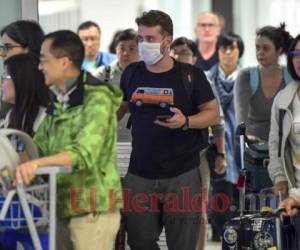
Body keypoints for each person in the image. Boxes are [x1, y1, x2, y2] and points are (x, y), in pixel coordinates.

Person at [119, 10, 219, 250]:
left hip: (182, 174)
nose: (144, 45)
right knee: (139, 241)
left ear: (167, 41)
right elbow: (119, 109)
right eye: (141, 39)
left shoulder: (190, 75)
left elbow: (212, 113)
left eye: (151, 39)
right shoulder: (131, 73)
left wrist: (186, 121)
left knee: (182, 243)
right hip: (139, 173)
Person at [15, 30, 123, 250]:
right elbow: (40, 147)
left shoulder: (97, 98)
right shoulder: (60, 100)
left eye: (44, 60)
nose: (39, 66)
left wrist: (36, 164)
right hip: (61, 206)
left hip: (93, 209)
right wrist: (16, 160)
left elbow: (83, 153)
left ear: (64, 62)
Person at [170, 36, 225, 248]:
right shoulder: (163, 80)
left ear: (194, 58)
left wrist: (221, 154)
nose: (179, 56)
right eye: (175, 52)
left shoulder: (203, 82)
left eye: (185, 53)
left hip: (198, 155)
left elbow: (217, 123)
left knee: (198, 208)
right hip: (168, 155)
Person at [206, 32, 244, 241]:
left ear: (239, 52)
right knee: (218, 190)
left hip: (241, 145)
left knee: (239, 190)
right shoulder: (207, 77)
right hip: (216, 144)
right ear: (218, 52)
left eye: (233, 48)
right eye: (224, 49)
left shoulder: (247, 78)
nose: (228, 53)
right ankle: (218, 229)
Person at [234, 23, 293, 142]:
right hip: (255, 145)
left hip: (286, 144)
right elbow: (241, 118)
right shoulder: (246, 76)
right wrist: (246, 135)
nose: (260, 52)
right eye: (257, 47)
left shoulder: (291, 76)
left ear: (279, 50)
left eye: (265, 48)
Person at [268, 33, 300, 238]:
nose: (299, 59)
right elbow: (275, 144)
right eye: (296, 53)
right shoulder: (283, 99)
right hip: (294, 193)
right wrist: (279, 177)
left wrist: (296, 197)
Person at [92, 28, 139, 142]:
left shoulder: (150, 73)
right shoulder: (102, 74)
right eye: (121, 48)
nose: (126, 53)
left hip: (140, 140)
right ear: (115, 49)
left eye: (131, 49)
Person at [0, 20, 45, 119]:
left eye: (8, 47)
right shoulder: (9, 96)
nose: (2, 54)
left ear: (28, 48)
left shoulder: (48, 90)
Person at [0, 53, 48, 135]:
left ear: (21, 80)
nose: (1, 83)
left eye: (6, 76)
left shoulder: (45, 118)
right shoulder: (11, 115)